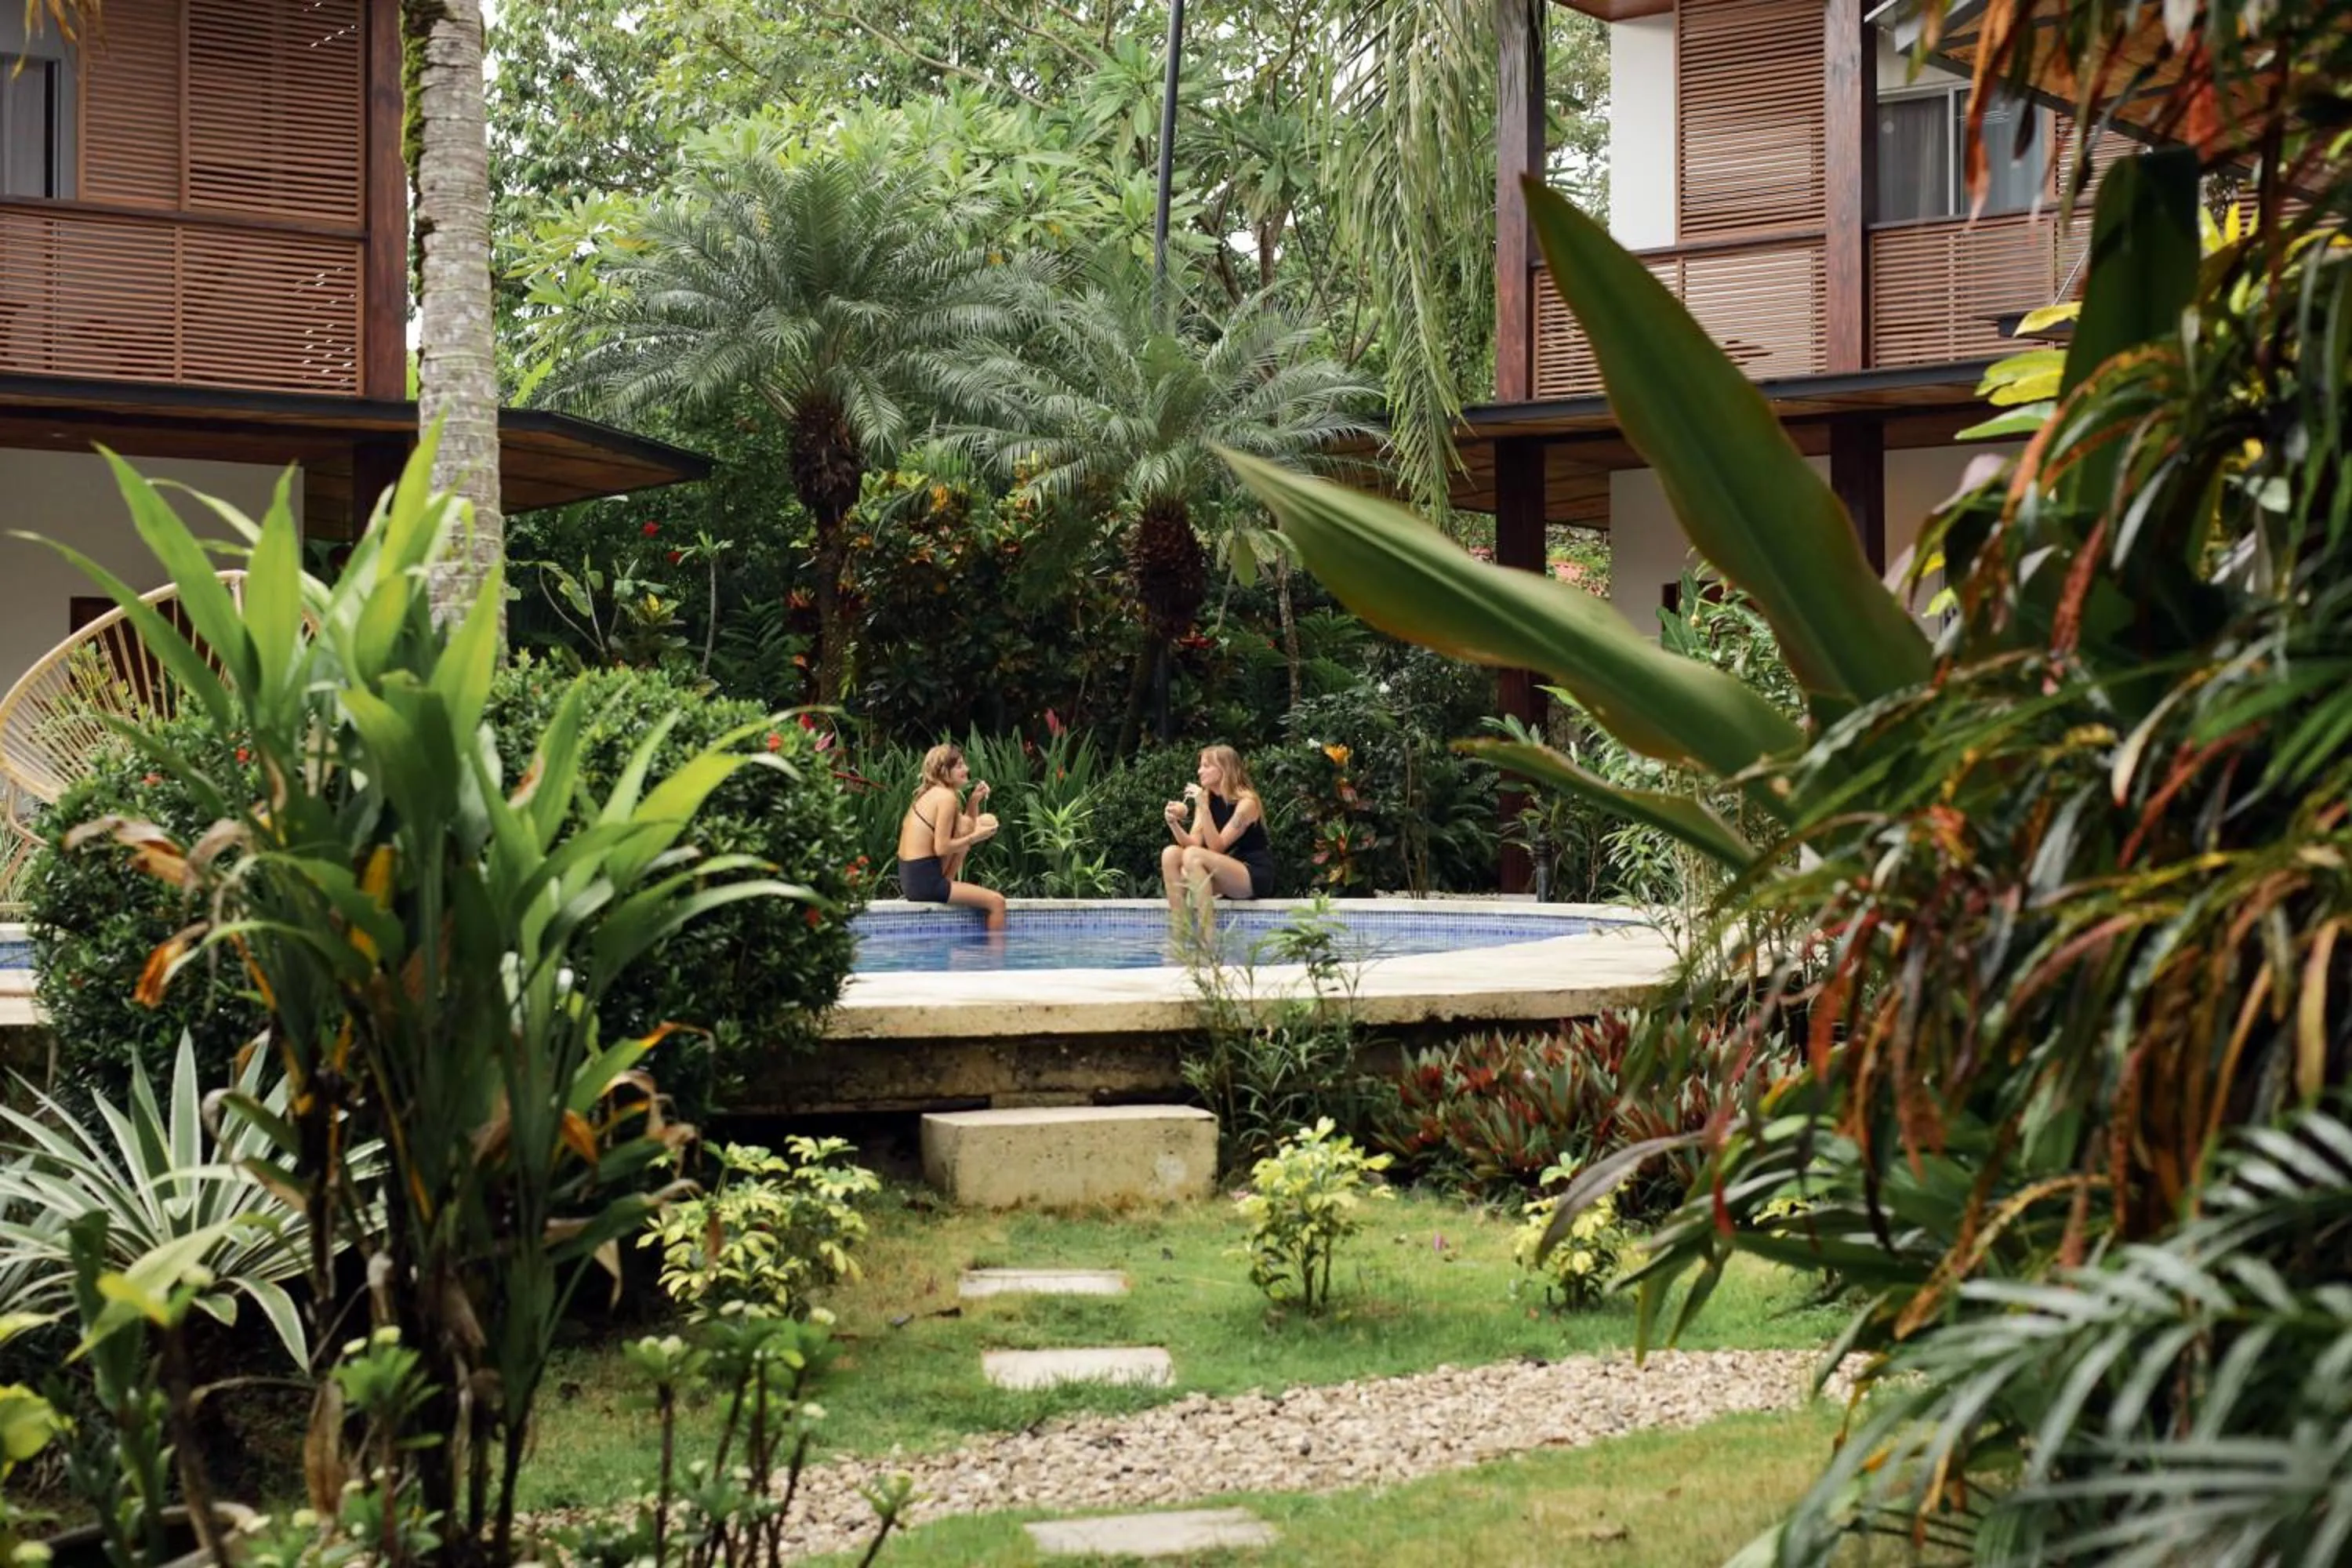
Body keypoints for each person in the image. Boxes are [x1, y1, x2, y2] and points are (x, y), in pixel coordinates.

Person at [897, 742, 1007, 930]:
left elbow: (965, 828)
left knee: (974, 827)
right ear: (943, 771)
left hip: (911, 879)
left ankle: (948, 882)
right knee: (997, 902)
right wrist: (976, 837)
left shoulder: (933, 794)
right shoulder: (946, 798)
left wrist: (973, 801)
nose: (967, 769)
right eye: (959, 766)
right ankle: (994, 960)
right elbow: (942, 847)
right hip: (925, 882)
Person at [1160, 744, 1276, 913]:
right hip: (1223, 869)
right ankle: (1179, 929)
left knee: (1193, 855)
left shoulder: (1247, 803)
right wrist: (1173, 823)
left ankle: (1207, 935)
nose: (1199, 771)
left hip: (1252, 873)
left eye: (1206, 766)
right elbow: (1193, 844)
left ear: (1225, 769)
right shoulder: (1206, 799)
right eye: (1200, 766)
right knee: (1171, 853)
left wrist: (1203, 807)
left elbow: (1217, 847)